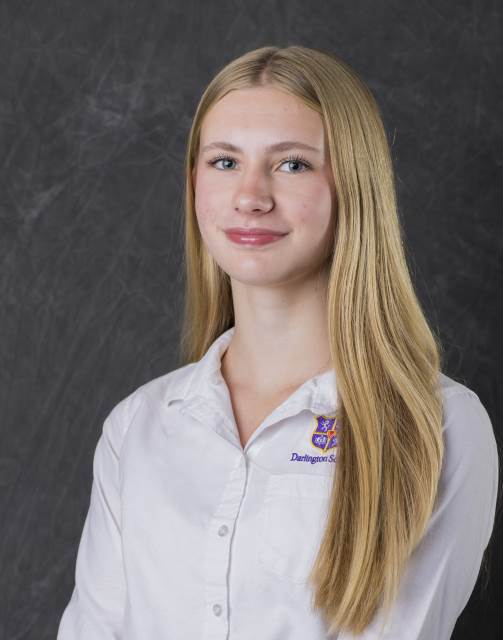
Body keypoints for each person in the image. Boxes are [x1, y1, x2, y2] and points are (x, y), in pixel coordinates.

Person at [57, 45, 500, 639]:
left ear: (353, 185)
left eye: (292, 164)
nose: (250, 196)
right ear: (193, 183)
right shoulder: (137, 427)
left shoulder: (436, 427)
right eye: (224, 161)